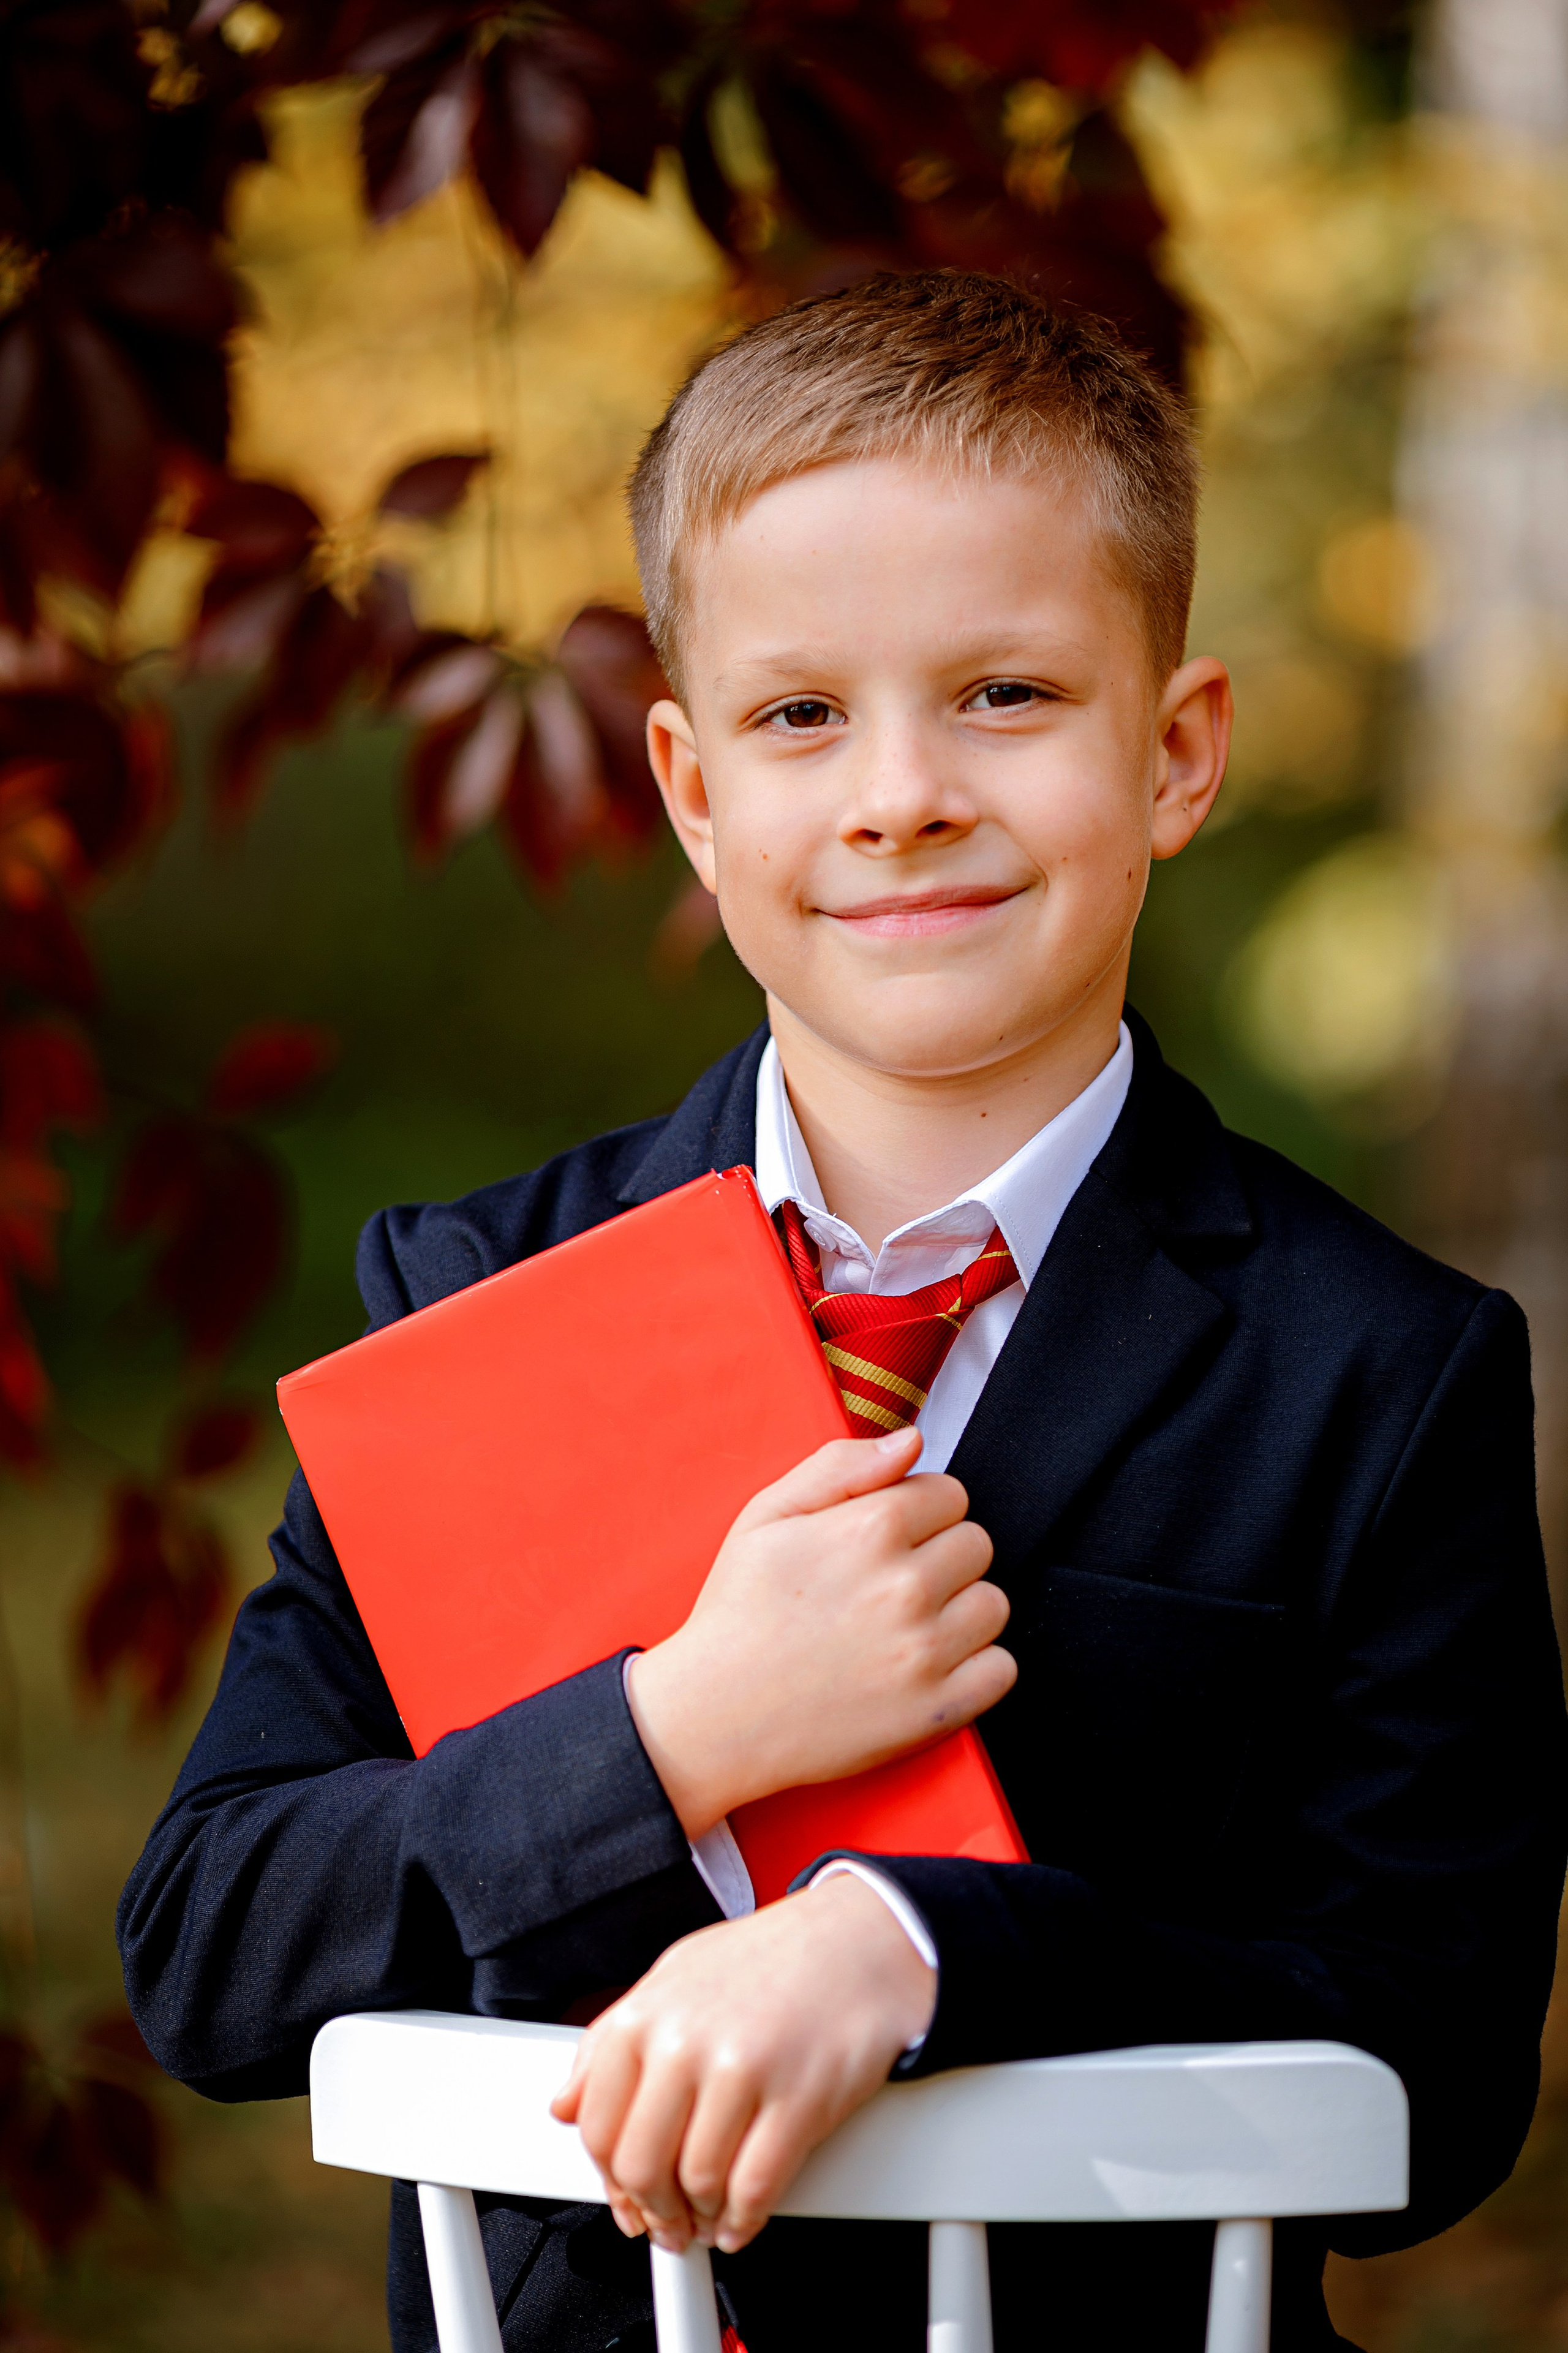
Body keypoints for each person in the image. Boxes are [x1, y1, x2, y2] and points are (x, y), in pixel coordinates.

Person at [118, 272, 1568, 2353]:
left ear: (1175, 753)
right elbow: (212, 1944)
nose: (900, 792)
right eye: (804, 715)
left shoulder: (1383, 1369)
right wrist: (673, 1732)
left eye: (1005, 694)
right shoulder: (482, 1296)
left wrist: (917, 1942)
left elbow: (1436, 2070)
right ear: (698, 796)